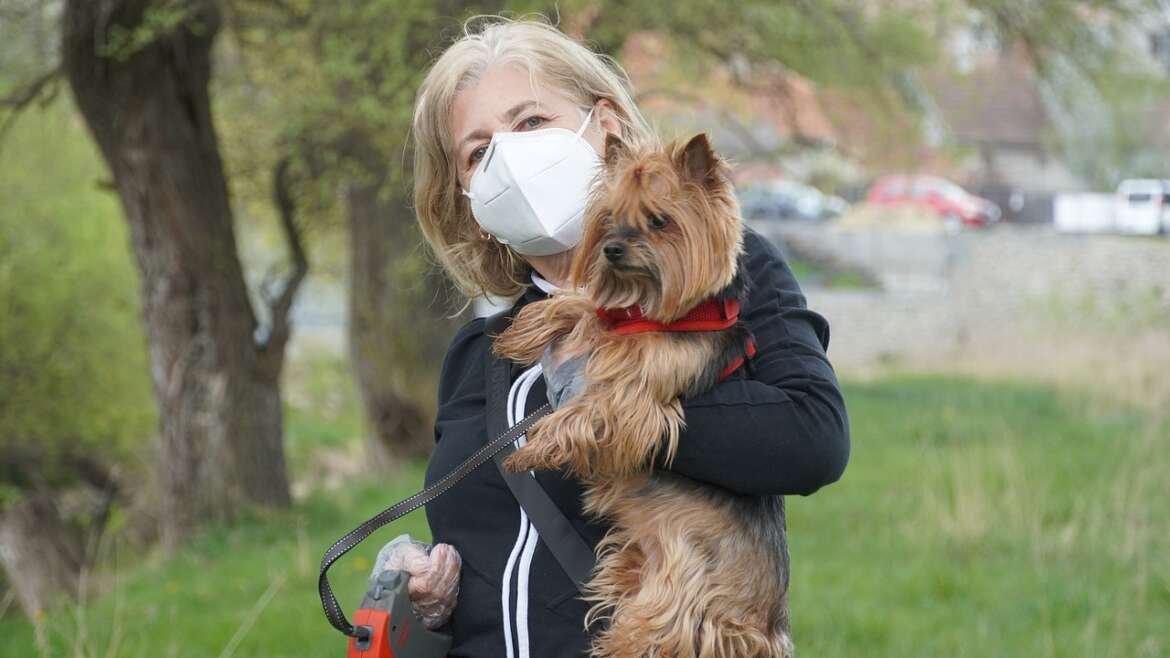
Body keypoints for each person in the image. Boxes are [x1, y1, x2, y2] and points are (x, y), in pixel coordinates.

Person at [377, 16, 851, 658]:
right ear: (467, 196)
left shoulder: (729, 286)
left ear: (602, 124)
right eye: (478, 151)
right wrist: (435, 599)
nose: (509, 159)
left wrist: (619, 408)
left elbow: (814, 439)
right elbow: (494, 551)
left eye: (530, 122)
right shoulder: (480, 351)